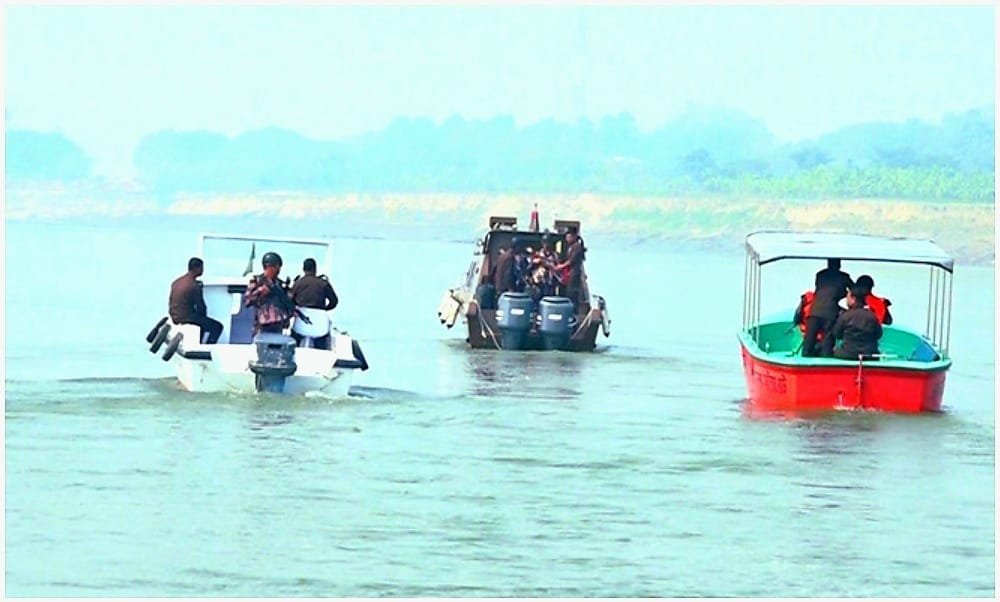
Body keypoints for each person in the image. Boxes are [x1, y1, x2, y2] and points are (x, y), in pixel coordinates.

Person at [801, 258, 853, 357]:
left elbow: (820, 290)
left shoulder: (820, 275)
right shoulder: (844, 277)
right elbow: (854, 290)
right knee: (827, 341)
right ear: (839, 265)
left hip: (814, 311)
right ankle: (825, 361)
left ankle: (805, 359)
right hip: (830, 313)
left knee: (809, 340)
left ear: (828, 264)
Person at [169, 257, 224, 344]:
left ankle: (199, 342)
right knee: (217, 327)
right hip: (186, 317)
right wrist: (204, 317)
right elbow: (201, 306)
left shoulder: (177, 281)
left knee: (200, 321)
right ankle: (207, 346)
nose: (202, 270)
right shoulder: (194, 286)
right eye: (202, 268)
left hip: (175, 315)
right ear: (197, 268)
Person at [290, 258, 339, 348]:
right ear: (315, 269)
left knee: (294, 337)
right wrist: (324, 309)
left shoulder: (298, 283)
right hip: (320, 327)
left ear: (303, 269)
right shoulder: (323, 283)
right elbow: (334, 301)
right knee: (323, 341)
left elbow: (290, 301)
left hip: (300, 324)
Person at [244, 251, 296, 335]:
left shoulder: (280, 284)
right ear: (268, 266)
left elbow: (288, 304)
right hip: (262, 325)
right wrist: (260, 291)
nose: (278, 270)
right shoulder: (257, 281)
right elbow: (247, 301)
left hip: (278, 325)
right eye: (276, 267)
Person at [830, 285, 883, 360]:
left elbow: (837, 334)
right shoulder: (872, 316)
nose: (846, 300)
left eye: (847, 297)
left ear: (853, 299)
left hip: (847, 354)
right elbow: (879, 334)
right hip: (869, 354)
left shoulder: (845, 316)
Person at [554, 226, 586, 310]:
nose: (567, 238)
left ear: (574, 236)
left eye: (568, 236)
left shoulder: (577, 247)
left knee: (571, 294)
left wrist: (561, 266)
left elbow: (571, 261)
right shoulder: (571, 247)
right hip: (568, 274)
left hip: (574, 274)